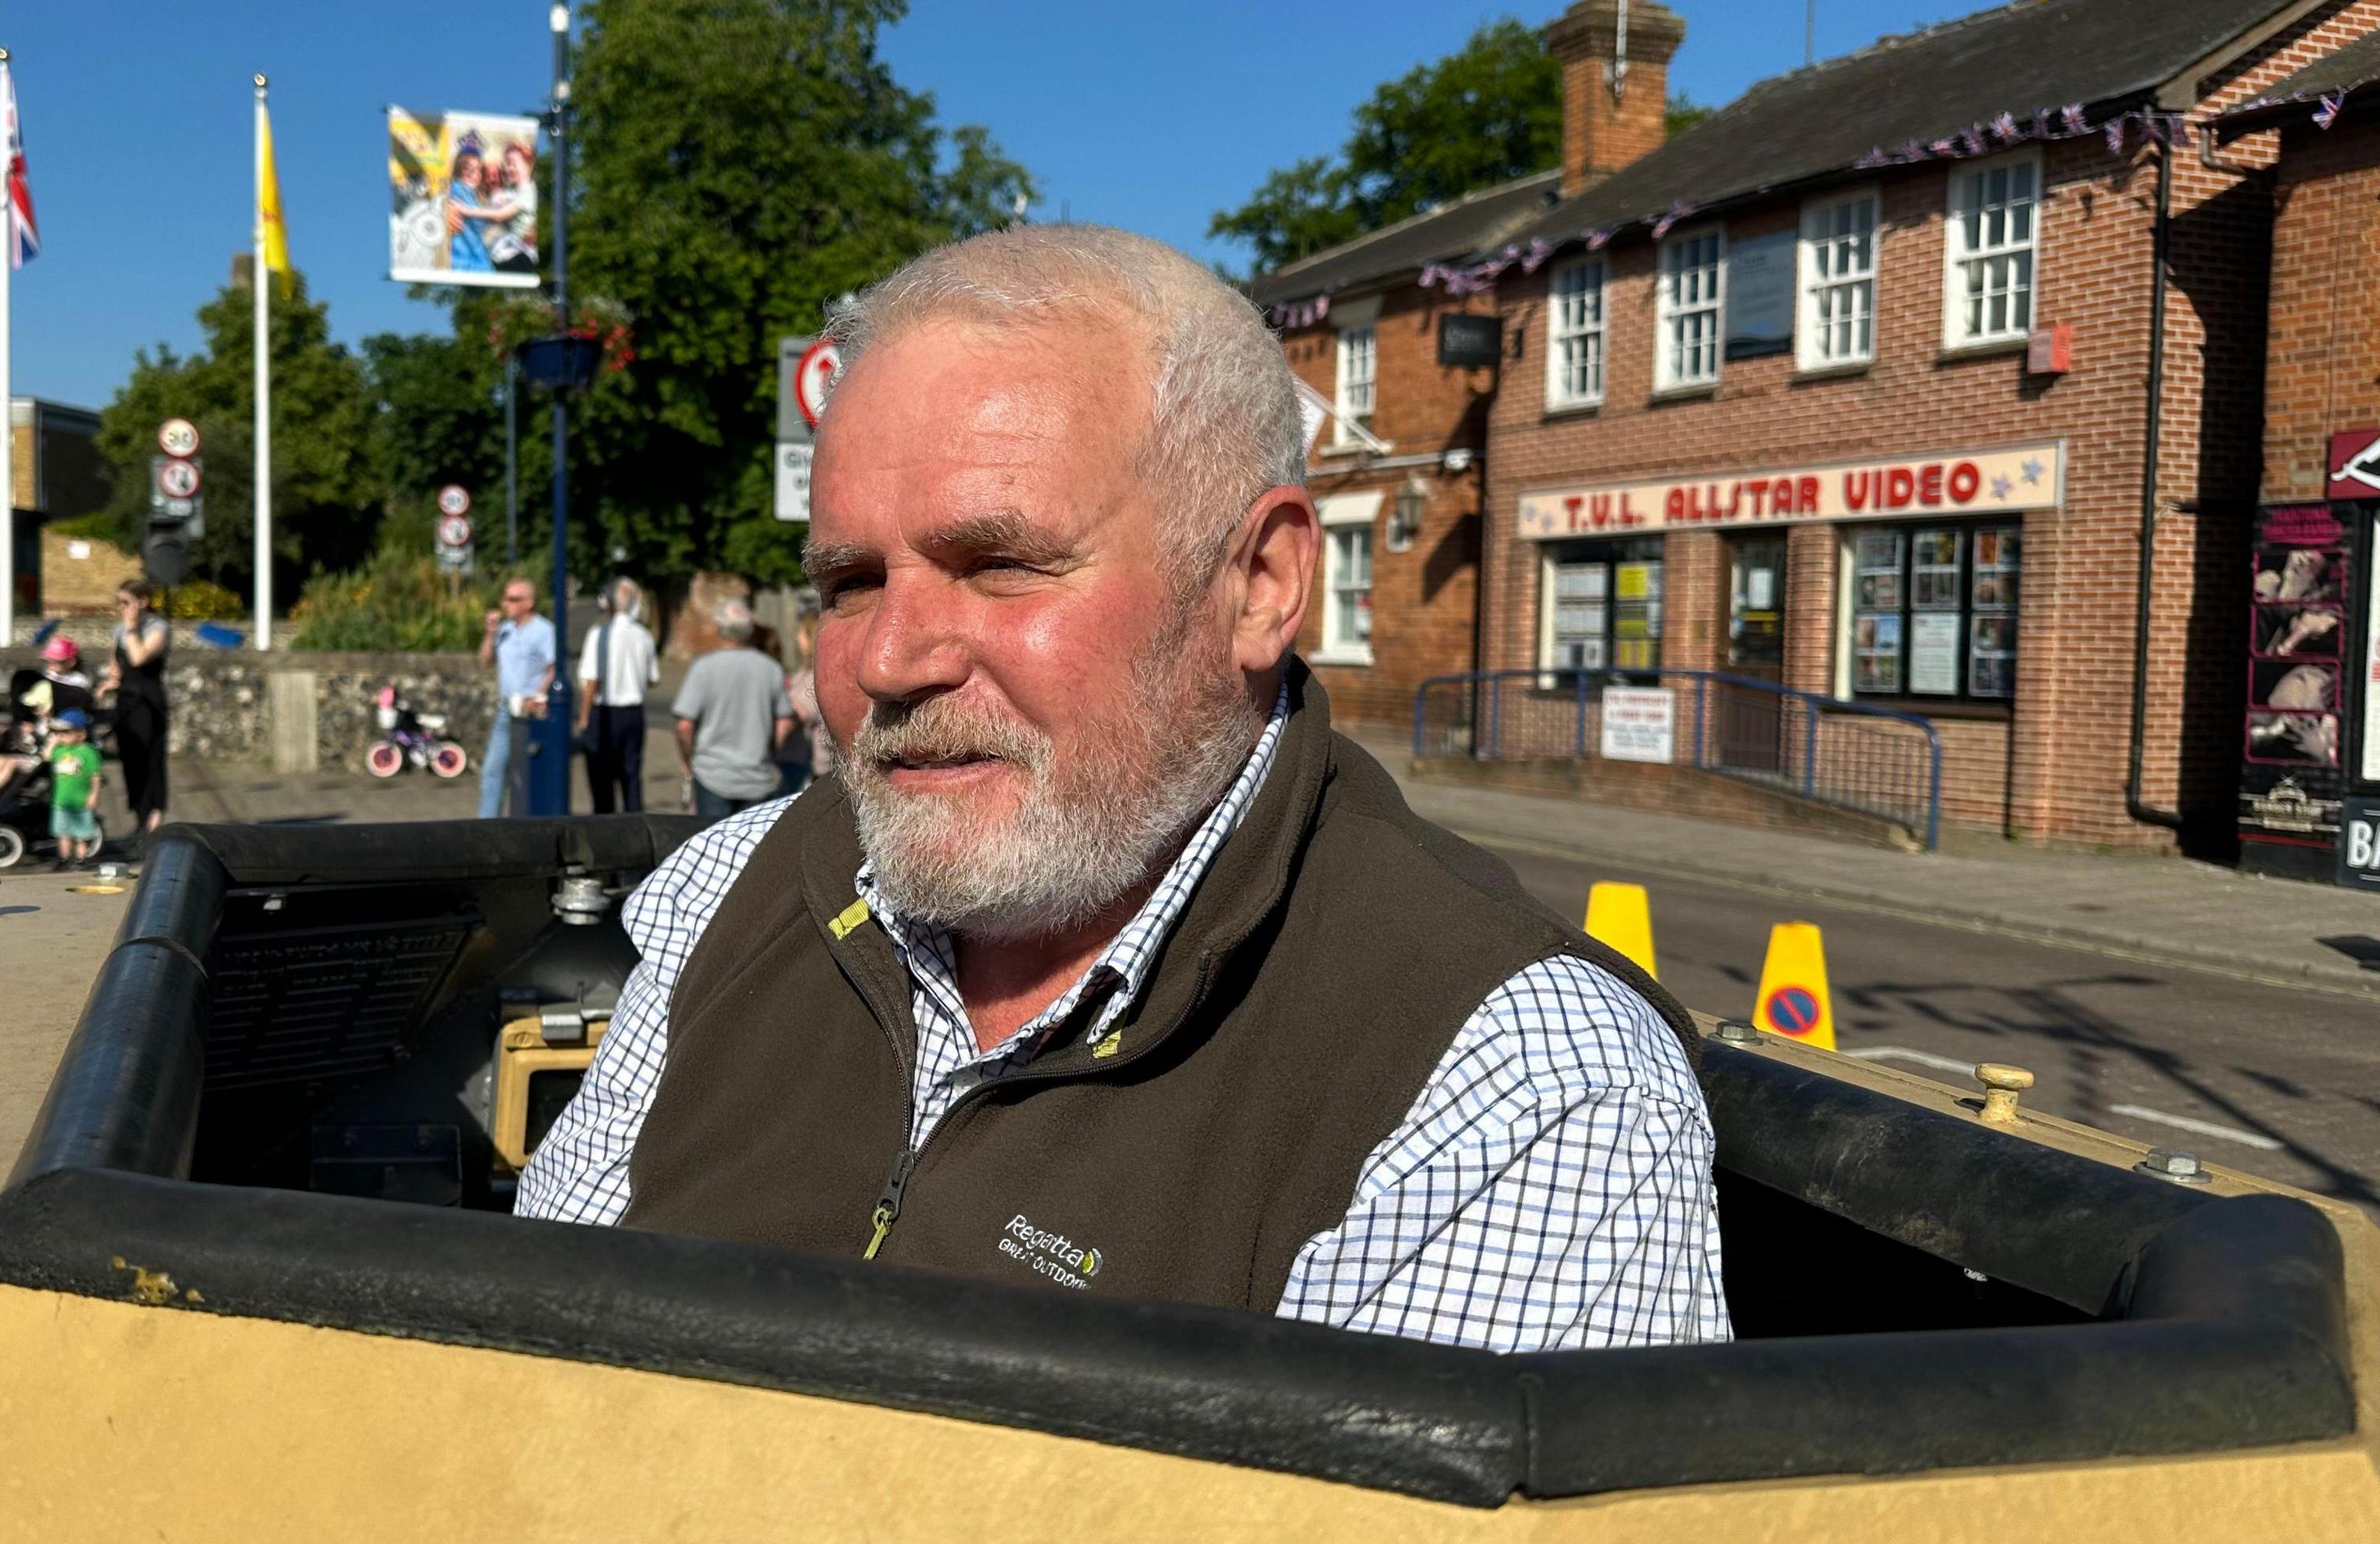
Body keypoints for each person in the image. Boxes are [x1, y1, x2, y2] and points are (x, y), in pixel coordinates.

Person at [517, 225, 1725, 1350]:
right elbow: (529, 1377)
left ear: (1259, 584)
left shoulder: (1509, 1084)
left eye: (1000, 566)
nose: (887, 658)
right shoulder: (730, 893)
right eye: (847, 582)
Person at [668, 598, 795, 818]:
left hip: (713, 775)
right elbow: (785, 722)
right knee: (753, 849)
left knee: (713, 846)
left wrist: (687, 760)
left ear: (719, 629)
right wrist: (769, 752)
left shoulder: (704, 668)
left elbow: (684, 726)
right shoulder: (771, 668)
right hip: (758, 777)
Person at [0, 635, 94, 802]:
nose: (52, 666)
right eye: (49, 661)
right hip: (33, 737)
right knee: (1, 759)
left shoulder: (78, 685)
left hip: (50, 742)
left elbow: (74, 716)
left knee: (11, 764)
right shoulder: (44, 679)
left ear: (70, 662)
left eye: (57, 661)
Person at [575, 576, 657, 813]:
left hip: (604, 711)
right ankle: (635, 826)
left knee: (601, 779)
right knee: (631, 775)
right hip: (633, 713)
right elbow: (653, 678)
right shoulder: (644, 635)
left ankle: (606, 829)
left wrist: (584, 716)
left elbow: (592, 680)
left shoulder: (599, 634)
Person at [475, 579, 556, 818]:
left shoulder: (544, 631)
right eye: (505, 598)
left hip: (531, 712)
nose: (505, 604)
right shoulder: (505, 630)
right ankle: (486, 825)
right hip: (506, 709)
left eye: (513, 599)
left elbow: (554, 668)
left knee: (527, 772)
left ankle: (529, 819)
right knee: (492, 769)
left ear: (528, 603)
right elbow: (485, 661)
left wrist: (540, 695)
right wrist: (490, 634)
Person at [98, 579, 172, 834]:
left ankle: (153, 817)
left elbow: (139, 657)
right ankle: (139, 816)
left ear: (143, 602)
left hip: (148, 700)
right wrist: (109, 683)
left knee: (151, 758)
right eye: (119, 603)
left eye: (126, 602)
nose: (122, 608)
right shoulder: (118, 629)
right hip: (126, 700)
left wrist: (131, 629)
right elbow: (117, 663)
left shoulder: (158, 628)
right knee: (131, 760)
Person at [774, 614, 831, 795]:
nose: (797, 637)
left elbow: (802, 713)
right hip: (793, 756)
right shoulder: (802, 673)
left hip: (810, 763)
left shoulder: (814, 676)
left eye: (801, 633)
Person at [44, 707, 104, 867]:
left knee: (81, 833)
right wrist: (53, 742)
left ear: (81, 734)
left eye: (66, 733)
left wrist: (94, 795)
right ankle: (64, 858)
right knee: (63, 832)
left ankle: (81, 858)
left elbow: (95, 776)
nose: (61, 736)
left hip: (81, 801)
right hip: (62, 800)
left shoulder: (87, 752)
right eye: (59, 733)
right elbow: (46, 756)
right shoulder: (59, 750)